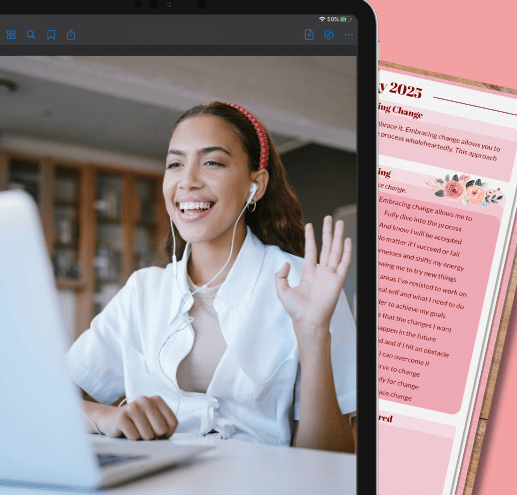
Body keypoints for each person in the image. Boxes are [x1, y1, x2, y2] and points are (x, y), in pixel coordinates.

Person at [66, 101, 356, 452]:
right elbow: (51, 397)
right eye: (175, 164)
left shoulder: (307, 286)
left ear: (256, 186)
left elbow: (331, 460)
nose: (187, 181)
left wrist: (314, 336)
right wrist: (105, 417)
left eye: (212, 162)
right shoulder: (142, 292)